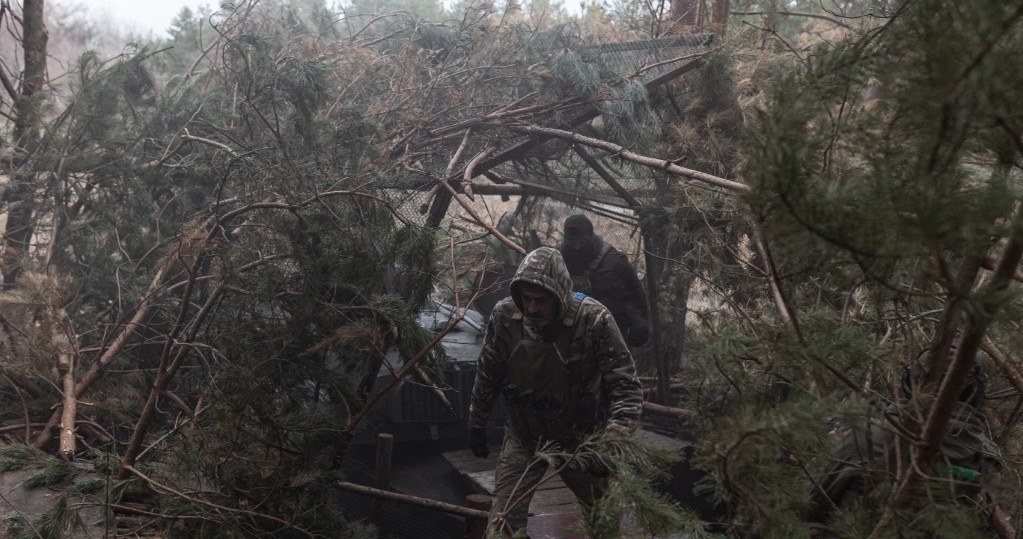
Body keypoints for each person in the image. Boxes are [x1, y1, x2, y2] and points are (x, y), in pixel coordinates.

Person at [467, 247, 644, 537]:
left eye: (541, 300)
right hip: (525, 436)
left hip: (581, 440)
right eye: (527, 299)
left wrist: (611, 443)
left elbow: (625, 386)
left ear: (559, 295)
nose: (533, 308)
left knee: (604, 522)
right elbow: (489, 371)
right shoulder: (506, 317)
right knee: (502, 521)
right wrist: (477, 422)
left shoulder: (593, 321)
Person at [809, 347, 1002, 534]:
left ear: (912, 382)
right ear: (976, 392)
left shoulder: (863, 436)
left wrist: (824, 447)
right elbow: (982, 525)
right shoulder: (987, 456)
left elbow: (806, 508)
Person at [559, 214, 650, 358]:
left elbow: (636, 303)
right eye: (572, 242)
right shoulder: (558, 259)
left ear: (589, 236)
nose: (577, 247)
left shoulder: (615, 263)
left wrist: (637, 341)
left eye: (581, 241)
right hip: (567, 339)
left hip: (609, 338)